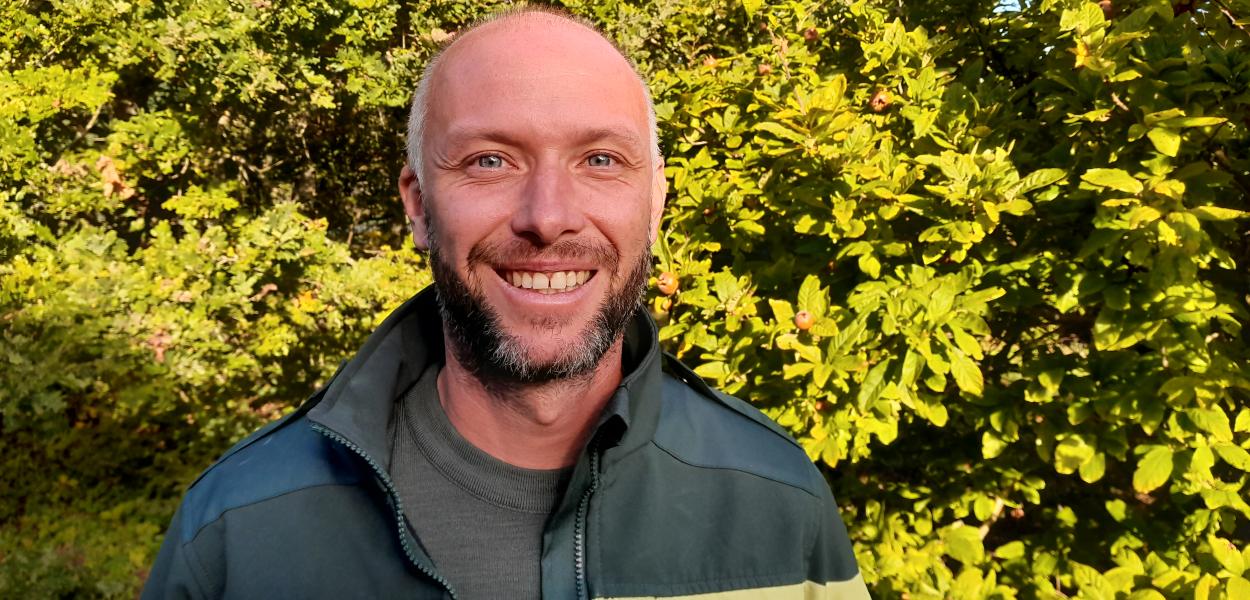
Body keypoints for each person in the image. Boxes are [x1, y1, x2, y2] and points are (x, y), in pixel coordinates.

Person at [143, 7, 868, 599]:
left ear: (654, 204)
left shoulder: (777, 503)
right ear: (418, 205)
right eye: (490, 160)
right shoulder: (239, 529)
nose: (547, 217)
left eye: (600, 161)